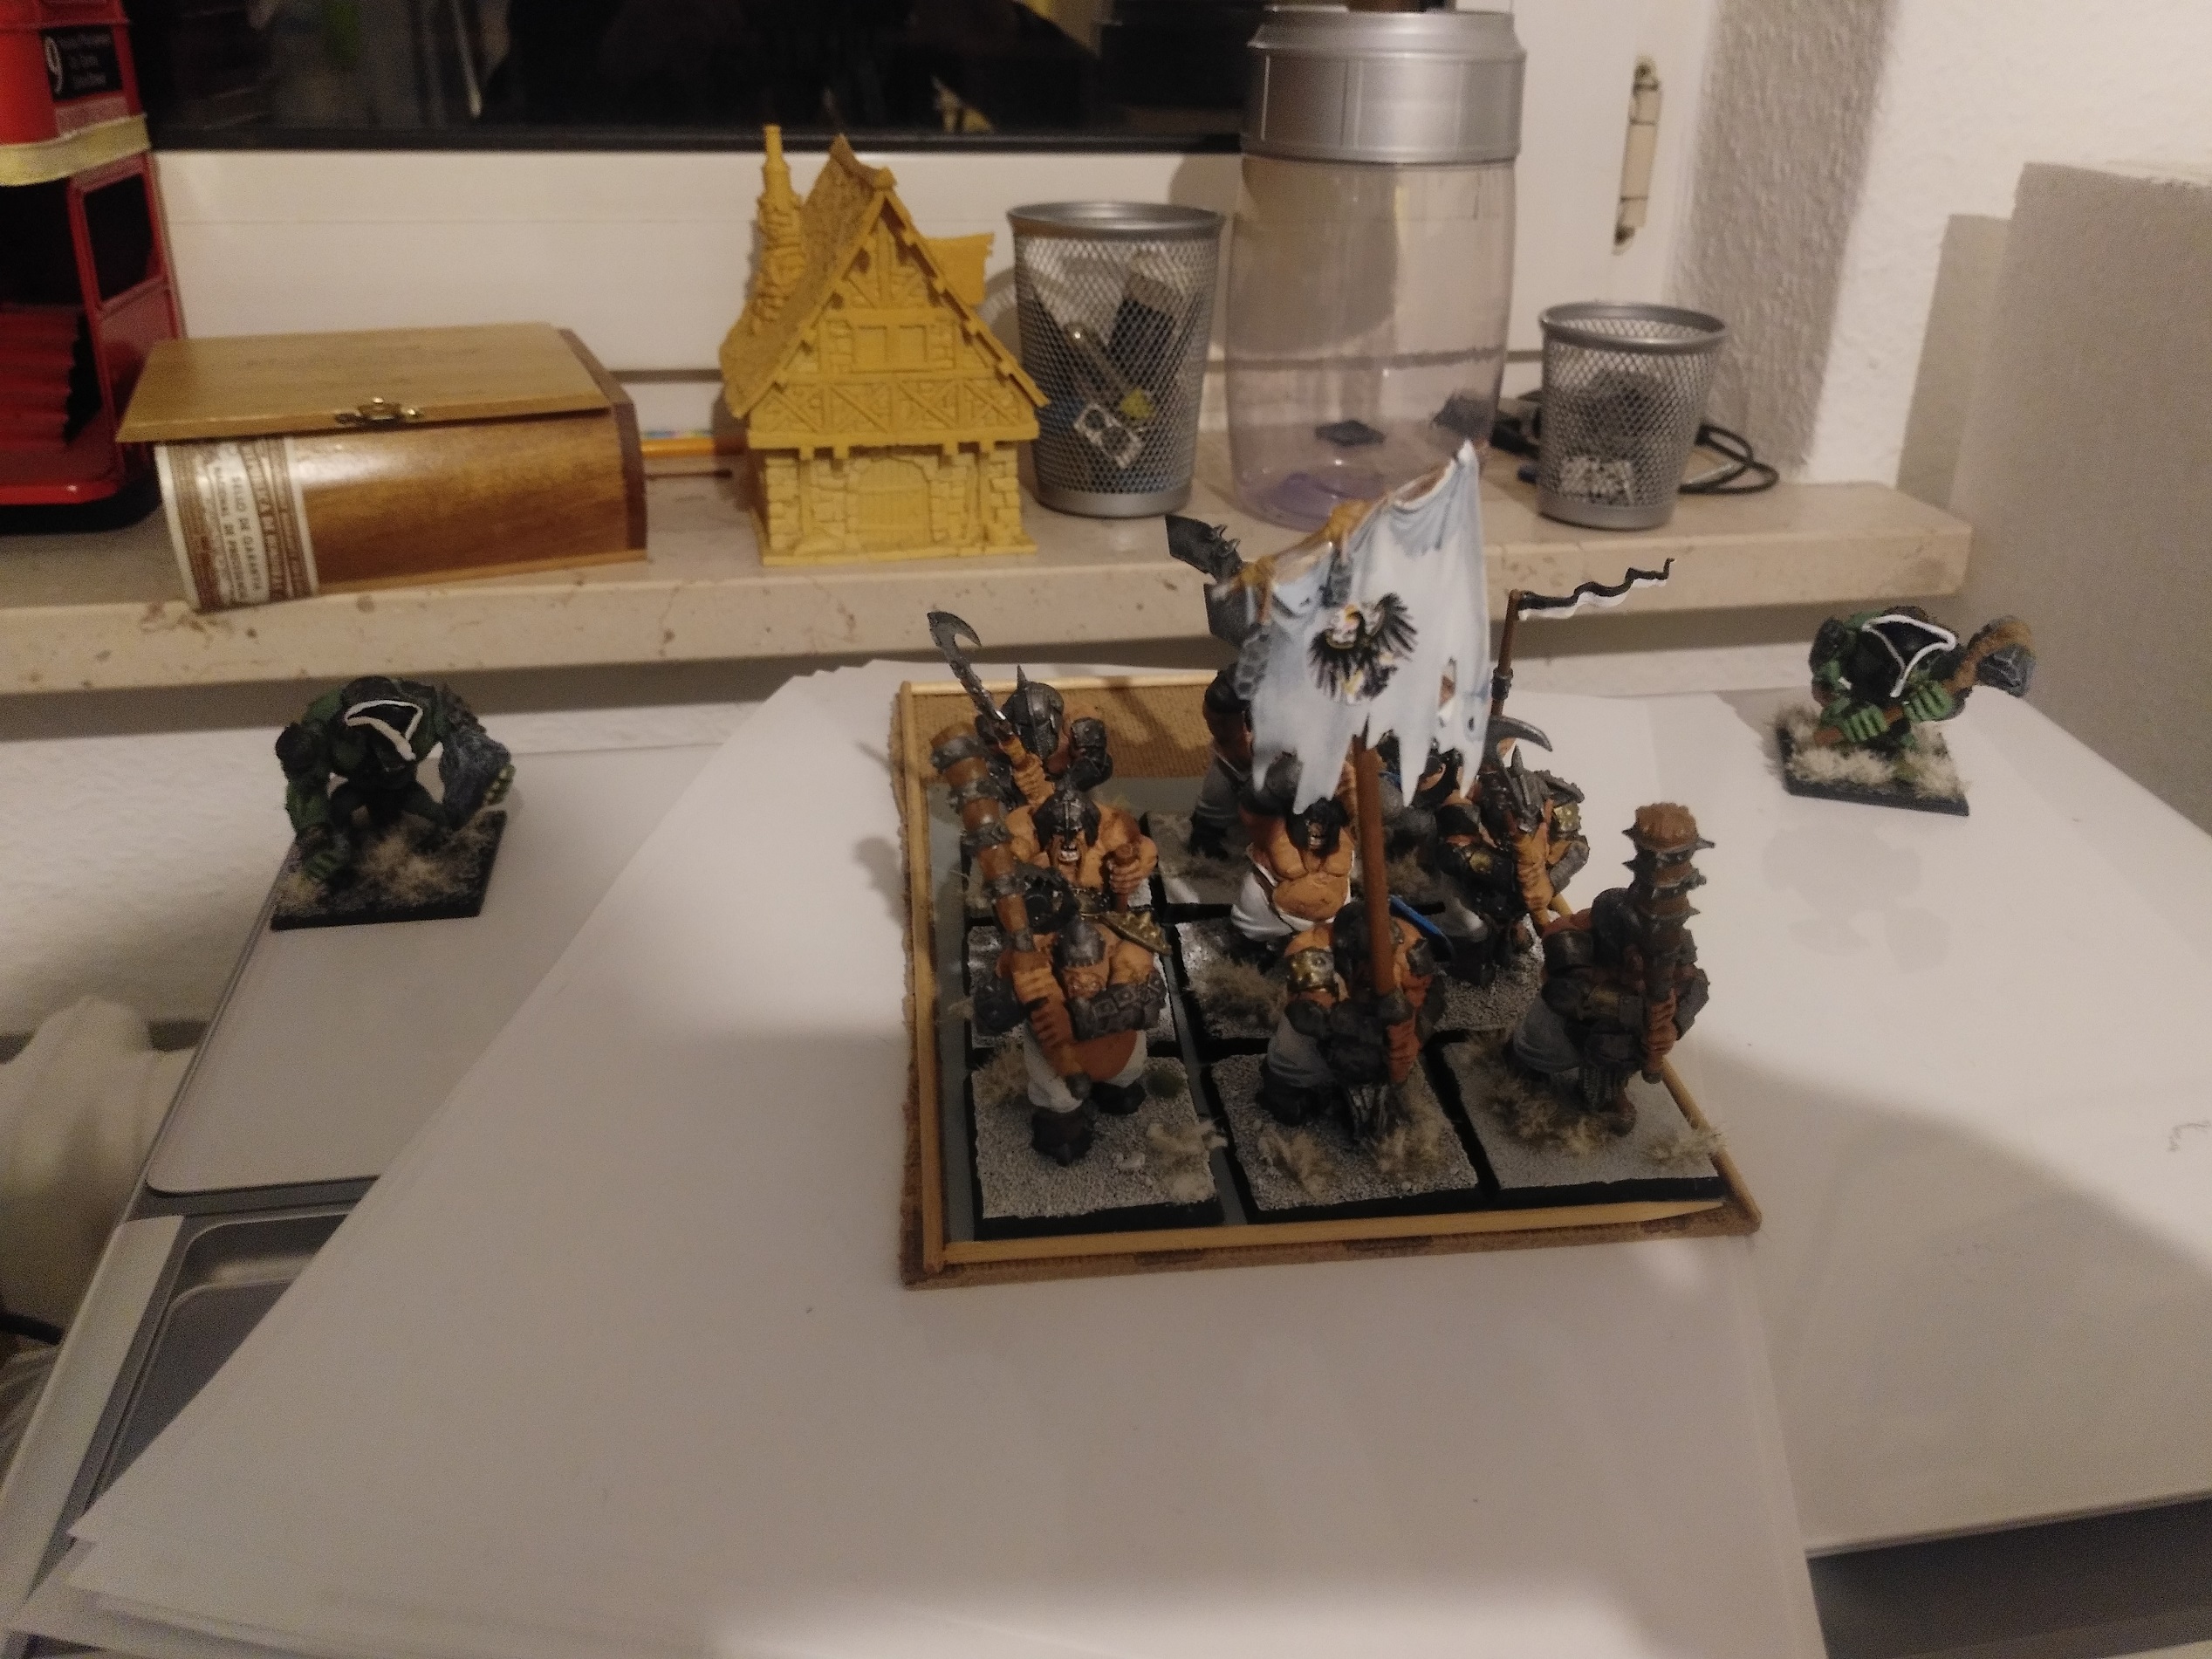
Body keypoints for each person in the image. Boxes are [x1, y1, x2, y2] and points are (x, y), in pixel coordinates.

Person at [1255, 897, 1437, 1142]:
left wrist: (1408, 1033)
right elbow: (1311, 1014)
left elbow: (1428, 994)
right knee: (1296, 1058)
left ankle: (1369, 1085)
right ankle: (1285, 1083)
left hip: (1379, 1026)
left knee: (1388, 1057)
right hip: (1329, 1029)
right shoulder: (1311, 951)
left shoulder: (1410, 946)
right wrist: (1368, 1022)